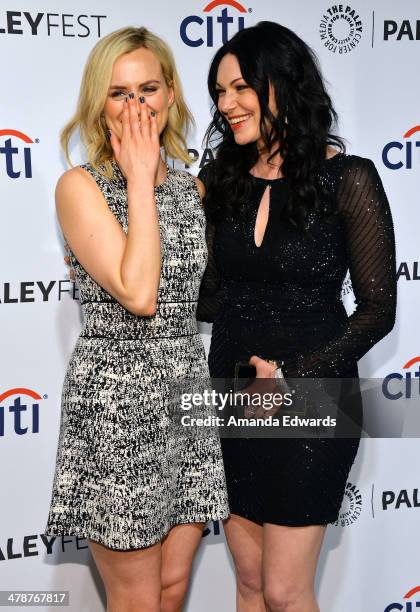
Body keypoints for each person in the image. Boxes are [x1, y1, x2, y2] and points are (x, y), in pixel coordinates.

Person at [197, 21, 396, 612]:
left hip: (310, 394)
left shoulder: (347, 179)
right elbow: (208, 298)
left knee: (285, 592)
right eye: (218, 93)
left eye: (239, 88)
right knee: (251, 583)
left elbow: (379, 310)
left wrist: (289, 372)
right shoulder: (220, 181)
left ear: (281, 84)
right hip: (228, 394)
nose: (226, 104)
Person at [45, 26, 228, 612]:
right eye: (119, 92)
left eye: (148, 88)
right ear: (99, 103)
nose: (135, 106)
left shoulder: (189, 191)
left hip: (185, 386)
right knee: (138, 600)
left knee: (172, 589)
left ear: (171, 95)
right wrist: (139, 180)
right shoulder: (80, 187)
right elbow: (139, 292)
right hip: (119, 399)